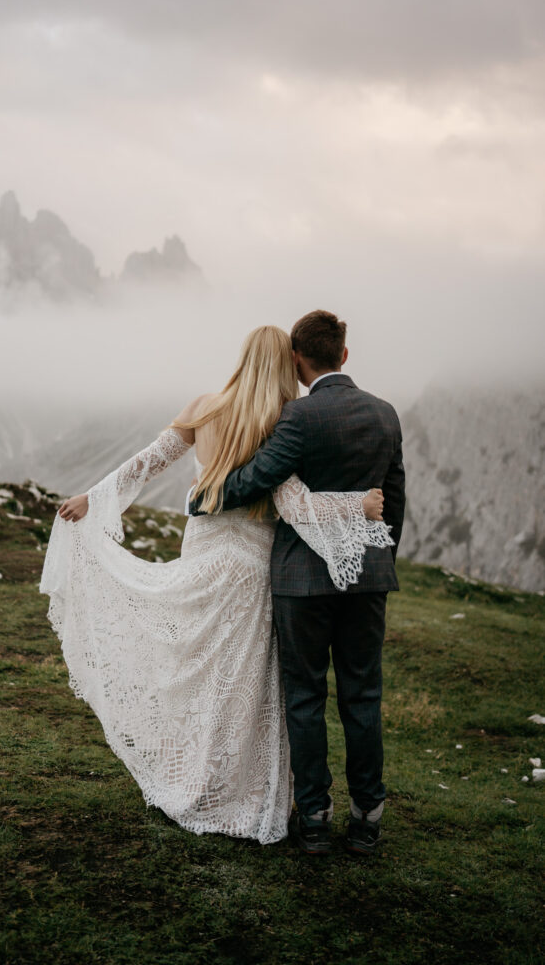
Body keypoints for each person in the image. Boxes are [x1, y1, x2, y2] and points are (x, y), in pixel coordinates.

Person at [40, 325, 393, 845]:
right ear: (287, 364)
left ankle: (192, 778)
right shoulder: (281, 422)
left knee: (196, 671)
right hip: (252, 564)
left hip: (203, 552)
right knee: (245, 685)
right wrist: (357, 507)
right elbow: (294, 506)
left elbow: (148, 460)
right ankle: (244, 791)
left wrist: (94, 498)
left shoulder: (204, 407)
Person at [191, 310, 405, 855]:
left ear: (297, 359)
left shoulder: (299, 418)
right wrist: (378, 558)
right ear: (345, 356)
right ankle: (367, 818)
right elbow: (394, 500)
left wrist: (206, 495)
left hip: (300, 581)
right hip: (368, 580)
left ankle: (313, 816)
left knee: (304, 697)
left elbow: (259, 478)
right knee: (363, 695)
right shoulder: (385, 415)